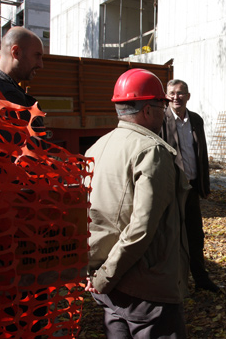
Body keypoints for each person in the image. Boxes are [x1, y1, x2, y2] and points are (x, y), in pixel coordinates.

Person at [85, 69, 190, 338]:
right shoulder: (151, 151)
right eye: (162, 105)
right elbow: (141, 228)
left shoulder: (96, 147)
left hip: (109, 285)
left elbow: (86, 216)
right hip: (146, 289)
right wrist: (105, 277)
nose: (165, 112)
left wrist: (99, 275)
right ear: (147, 110)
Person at [161, 79, 219, 293]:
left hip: (192, 188)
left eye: (181, 93)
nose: (176, 97)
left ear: (188, 96)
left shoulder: (195, 120)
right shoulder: (161, 120)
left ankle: (201, 279)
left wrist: (204, 184)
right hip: (172, 190)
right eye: (172, 93)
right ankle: (175, 282)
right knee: (172, 236)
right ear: (167, 96)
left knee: (196, 235)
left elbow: (201, 154)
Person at [0, 26, 45, 134]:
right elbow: (26, 148)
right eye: (37, 56)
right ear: (16, 52)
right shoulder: (5, 96)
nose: (41, 65)